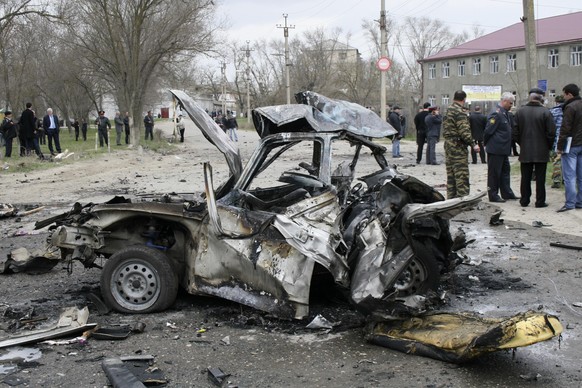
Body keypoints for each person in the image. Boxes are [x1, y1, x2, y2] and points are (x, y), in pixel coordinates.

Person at [513, 91, 556, 208]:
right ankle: (540, 201)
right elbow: (551, 132)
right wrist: (548, 146)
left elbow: (515, 131)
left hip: (525, 150)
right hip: (541, 150)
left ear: (529, 99)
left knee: (525, 177)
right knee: (540, 178)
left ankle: (524, 200)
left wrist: (521, 143)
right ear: (540, 100)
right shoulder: (546, 112)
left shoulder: (520, 112)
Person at [442, 91, 480, 199]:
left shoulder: (447, 110)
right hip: (458, 147)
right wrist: (473, 144)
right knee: (461, 175)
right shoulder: (460, 112)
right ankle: (462, 202)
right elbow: (464, 131)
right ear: (464, 100)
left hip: (448, 144)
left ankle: (450, 200)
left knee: (451, 175)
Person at [483, 92, 519, 203]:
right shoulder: (496, 113)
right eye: (510, 103)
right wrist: (487, 144)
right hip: (496, 149)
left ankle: (507, 193)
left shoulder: (506, 114)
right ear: (504, 101)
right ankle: (493, 195)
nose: (511, 105)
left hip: (503, 149)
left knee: (505, 171)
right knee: (494, 173)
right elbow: (488, 131)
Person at [556, 83, 582, 212]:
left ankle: (570, 203)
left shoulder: (570, 107)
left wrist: (560, 147)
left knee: (569, 176)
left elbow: (565, 128)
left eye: (564, 94)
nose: (564, 97)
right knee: (581, 175)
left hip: (571, 145)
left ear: (569, 94)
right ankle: (580, 201)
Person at [549, 95, 565, 188]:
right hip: (569, 140)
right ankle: (565, 179)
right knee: (567, 161)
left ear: (556, 102)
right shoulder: (569, 109)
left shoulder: (553, 111)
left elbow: (550, 127)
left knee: (556, 161)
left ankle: (556, 180)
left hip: (557, 140)